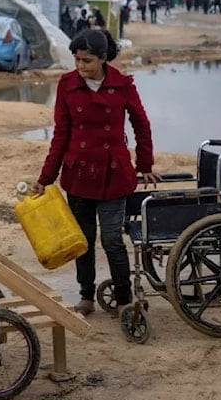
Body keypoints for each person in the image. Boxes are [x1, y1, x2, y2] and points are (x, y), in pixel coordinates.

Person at [30, 29, 160, 316]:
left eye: (87, 61)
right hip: (78, 175)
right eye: (77, 60)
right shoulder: (67, 85)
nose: (81, 66)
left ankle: (124, 298)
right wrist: (45, 179)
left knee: (112, 239)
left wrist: (145, 165)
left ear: (103, 58)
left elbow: (141, 124)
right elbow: (60, 135)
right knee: (83, 240)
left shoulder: (122, 84)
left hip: (114, 174)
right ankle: (86, 296)